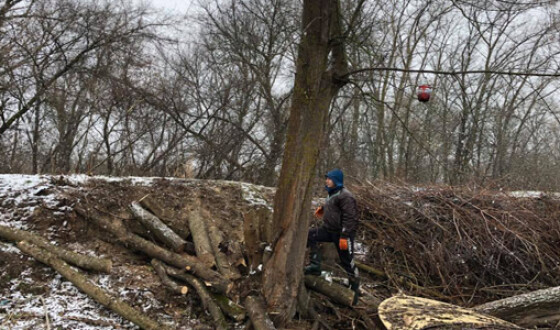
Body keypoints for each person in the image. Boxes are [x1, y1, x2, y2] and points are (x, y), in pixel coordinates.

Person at [304, 168, 360, 303]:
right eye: (327, 178)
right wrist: (323, 210)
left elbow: (350, 217)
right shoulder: (331, 193)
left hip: (342, 234)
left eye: (329, 179)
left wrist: (344, 236)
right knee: (310, 235)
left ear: (336, 180)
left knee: (347, 261)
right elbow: (333, 206)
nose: (327, 181)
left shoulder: (346, 196)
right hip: (328, 230)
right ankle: (315, 265)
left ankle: (355, 289)